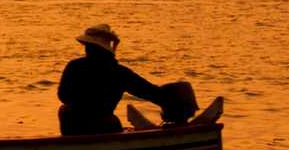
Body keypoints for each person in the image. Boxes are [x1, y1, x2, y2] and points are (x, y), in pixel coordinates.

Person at [56, 24, 195, 135]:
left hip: (73, 127)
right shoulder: (118, 72)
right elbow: (150, 92)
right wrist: (173, 102)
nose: (86, 50)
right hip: (104, 126)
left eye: (88, 47)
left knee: (65, 110)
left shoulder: (74, 66)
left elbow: (63, 95)